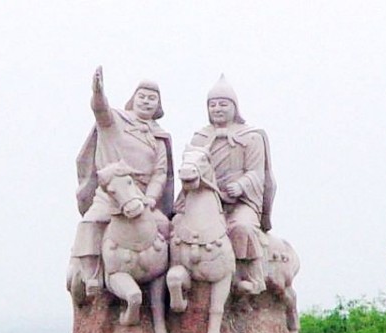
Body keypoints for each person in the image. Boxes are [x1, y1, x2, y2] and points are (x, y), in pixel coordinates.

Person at [69, 66, 173, 302]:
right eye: (142, 97)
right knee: (91, 222)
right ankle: (92, 274)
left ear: (158, 106)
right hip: (112, 192)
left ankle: (171, 285)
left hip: (142, 197)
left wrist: (151, 198)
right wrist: (98, 92)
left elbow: (160, 173)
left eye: (152, 99)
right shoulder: (115, 121)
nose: (146, 102)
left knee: (167, 227)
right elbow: (100, 110)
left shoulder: (159, 137)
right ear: (133, 99)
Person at [190, 75, 276, 295]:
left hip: (241, 200)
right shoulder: (200, 138)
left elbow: (257, 172)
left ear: (234, 107)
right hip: (209, 195)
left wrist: (241, 186)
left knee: (242, 227)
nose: (218, 108)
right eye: (213, 104)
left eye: (223, 104)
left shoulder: (251, 136)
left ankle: (253, 277)